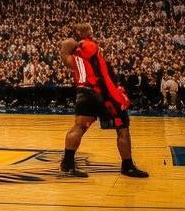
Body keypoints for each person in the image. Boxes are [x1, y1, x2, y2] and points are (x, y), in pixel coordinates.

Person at [59, 23, 149, 178]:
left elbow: (66, 51)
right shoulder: (90, 46)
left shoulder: (72, 58)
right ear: (86, 33)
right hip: (101, 92)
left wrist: (71, 43)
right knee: (122, 128)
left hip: (83, 92)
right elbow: (102, 70)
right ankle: (127, 166)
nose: (92, 33)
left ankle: (67, 164)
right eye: (90, 31)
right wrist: (117, 93)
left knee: (79, 127)